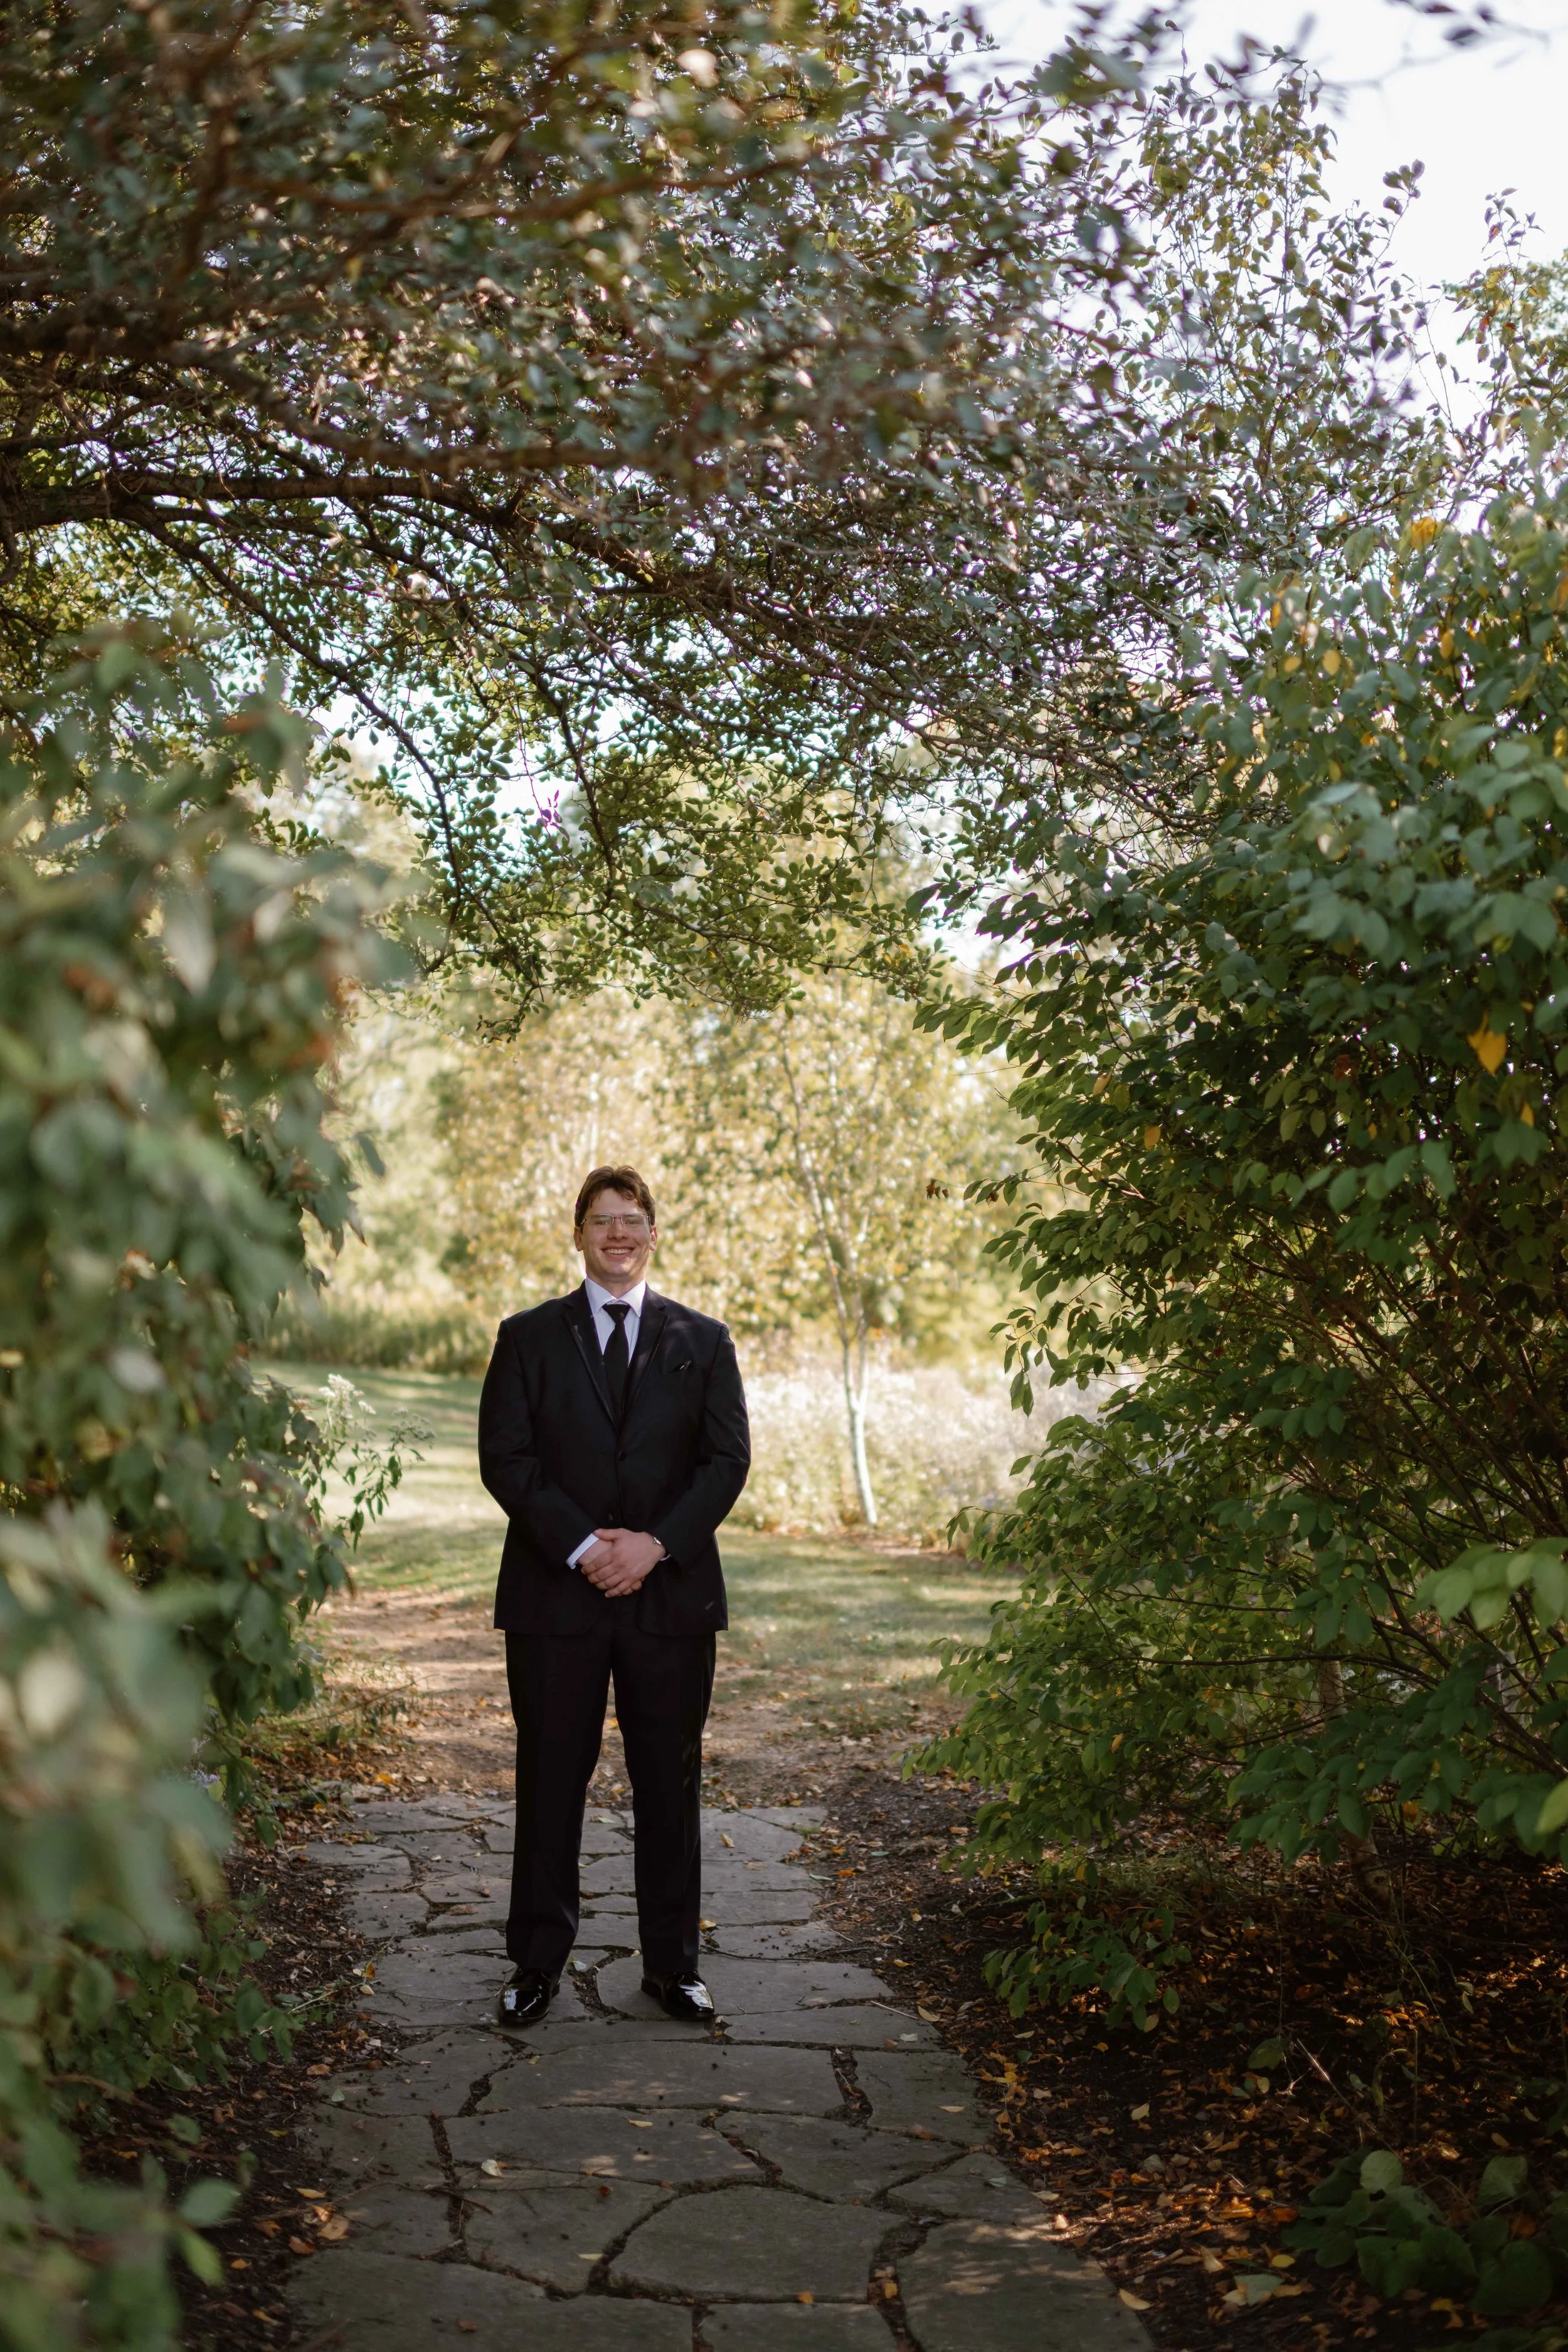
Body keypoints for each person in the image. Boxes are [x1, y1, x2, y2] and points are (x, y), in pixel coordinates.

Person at [477, 1165, 751, 2028]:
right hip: (556, 1599)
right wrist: (587, 1545)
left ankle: (674, 1966)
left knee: (668, 1784)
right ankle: (535, 1962)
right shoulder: (526, 1337)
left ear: (654, 1232)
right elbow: (506, 1458)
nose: (619, 1233)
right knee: (550, 1778)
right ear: (580, 1233)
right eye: (604, 1220)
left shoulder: (704, 1341)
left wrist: (655, 1545)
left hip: (669, 1601)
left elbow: (726, 1461)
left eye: (633, 1219)